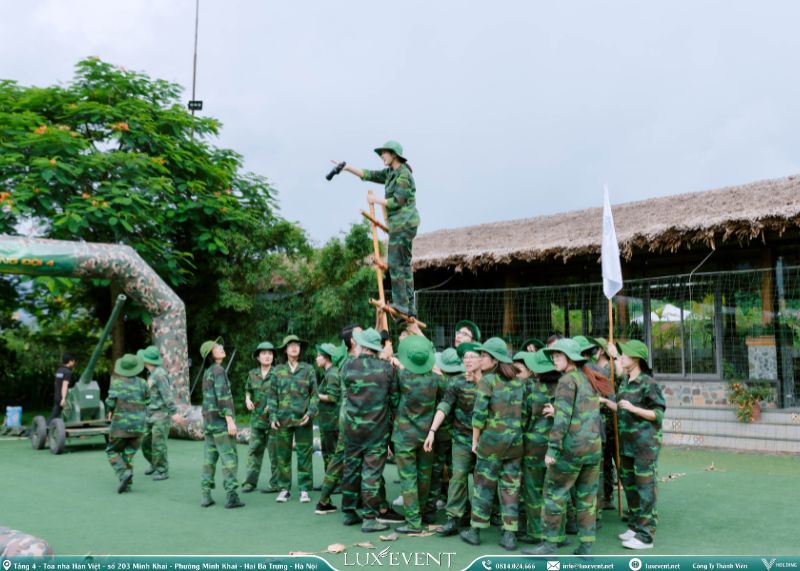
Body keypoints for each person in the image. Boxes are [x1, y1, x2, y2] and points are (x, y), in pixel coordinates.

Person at [525, 338, 602, 556]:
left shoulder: (567, 380)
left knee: (554, 494)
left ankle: (550, 543)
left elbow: (563, 419)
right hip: (592, 449)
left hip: (571, 450)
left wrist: (552, 449)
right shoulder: (588, 378)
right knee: (587, 498)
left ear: (569, 358)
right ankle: (586, 545)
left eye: (558, 356)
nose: (554, 359)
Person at [334, 141, 419, 317]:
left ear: (394, 154)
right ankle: (410, 307)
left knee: (396, 264)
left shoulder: (403, 175)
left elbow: (398, 201)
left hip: (403, 224)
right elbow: (368, 174)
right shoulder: (390, 173)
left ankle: (402, 305)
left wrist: (376, 201)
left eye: (384, 153)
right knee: (404, 265)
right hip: (402, 225)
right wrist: (347, 168)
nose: (382, 156)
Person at [460, 337, 528, 551]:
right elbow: (524, 415)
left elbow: (478, 416)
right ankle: (510, 535)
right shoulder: (519, 382)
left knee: (483, 487)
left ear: (495, 360)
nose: (481, 359)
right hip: (515, 445)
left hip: (490, 445)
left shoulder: (487, 382)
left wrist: (474, 442)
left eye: (484, 356)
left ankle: (475, 531)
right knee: (511, 489)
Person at [602, 340, 666, 550]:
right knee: (629, 486)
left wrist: (634, 408)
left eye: (624, 355)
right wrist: (605, 402)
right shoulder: (626, 382)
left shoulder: (649, 383)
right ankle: (635, 526)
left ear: (636, 359)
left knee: (645, 488)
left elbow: (658, 414)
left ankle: (646, 535)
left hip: (644, 445)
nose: (621, 358)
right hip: (627, 445)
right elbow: (621, 407)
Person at [339, 328, 397, 533]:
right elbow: (395, 399)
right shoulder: (387, 369)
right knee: (371, 473)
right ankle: (370, 518)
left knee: (351, 469)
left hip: (352, 428)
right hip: (377, 431)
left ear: (362, 345)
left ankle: (348, 512)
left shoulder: (347, 365)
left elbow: (344, 389)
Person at [426, 341, 481, 536]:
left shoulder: (491, 382)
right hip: (462, 439)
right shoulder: (457, 382)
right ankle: (454, 518)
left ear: (482, 359)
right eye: (465, 357)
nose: (467, 360)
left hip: (486, 441)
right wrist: (432, 430)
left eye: (472, 356)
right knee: (457, 476)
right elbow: (445, 405)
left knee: (483, 480)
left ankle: (487, 516)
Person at [390, 335, 439, 533]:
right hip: (427, 435)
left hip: (404, 435)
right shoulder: (436, 380)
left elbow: (393, 398)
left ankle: (413, 522)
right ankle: (425, 512)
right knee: (424, 476)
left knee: (408, 478)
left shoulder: (402, 377)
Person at [514, 350, 560, 545]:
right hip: (557, 445)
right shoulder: (564, 387)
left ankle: (535, 532)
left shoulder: (530, 388)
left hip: (533, 446)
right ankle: (559, 533)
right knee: (556, 491)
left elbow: (521, 418)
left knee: (533, 490)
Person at [316, 324, 361, 516]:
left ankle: (327, 500)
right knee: (342, 459)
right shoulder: (351, 361)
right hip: (352, 417)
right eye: (360, 334)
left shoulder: (346, 360)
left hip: (348, 417)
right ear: (352, 341)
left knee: (341, 459)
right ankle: (326, 500)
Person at [269, 335, 319, 504]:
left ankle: (304, 489)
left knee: (305, 454)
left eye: (296, 345)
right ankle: (284, 489)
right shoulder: (277, 370)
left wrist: (310, 412)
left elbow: (315, 395)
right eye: (290, 345)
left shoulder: (308, 369)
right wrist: (273, 416)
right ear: (285, 350)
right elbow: (272, 396)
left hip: (303, 419)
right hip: (283, 419)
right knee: (282, 455)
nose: (294, 348)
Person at [199, 337, 244, 509]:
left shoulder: (208, 371)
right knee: (229, 459)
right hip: (220, 425)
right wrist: (230, 421)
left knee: (209, 460)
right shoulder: (218, 371)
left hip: (209, 425)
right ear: (211, 353)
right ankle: (232, 496)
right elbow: (223, 397)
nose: (221, 348)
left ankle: (205, 495)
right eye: (217, 347)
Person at [425, 348, 464, 517]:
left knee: (436, 470)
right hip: (457, 434)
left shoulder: (440, 381)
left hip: (440, 434)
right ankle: (461, 506)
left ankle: (430, 507)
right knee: (456, 472)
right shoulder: (464, 381)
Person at [105, 353, 149, 494]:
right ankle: (127, 484)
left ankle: (123, 474)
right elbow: (148, 401)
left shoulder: (116, 383)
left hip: (120, 427)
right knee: (128, 454)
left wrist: (110, 410)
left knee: (111, 451)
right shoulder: (143, 383)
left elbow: (110, 403)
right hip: (139, 426)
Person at [242, 341, 278, 494]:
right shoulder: (252, 374)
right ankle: (250, 483)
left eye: (270, 353)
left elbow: (283, 393)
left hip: (273, 420)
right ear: (258, 357)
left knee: (275, 453)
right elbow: (248, 390)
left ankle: (276, 484)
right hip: (257, 420)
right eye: (264, 354)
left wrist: (274, 405)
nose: (267, 356)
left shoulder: (277, 373)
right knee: (254, 451)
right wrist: (247, 399)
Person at [138, 345, 179, 480]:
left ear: (147, 360)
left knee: (158, 444)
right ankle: (154, 464)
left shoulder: (160, 374)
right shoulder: (151, 373)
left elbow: (167, 394)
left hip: (161, 415)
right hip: (150, 415)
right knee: (145, 442)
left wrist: (173, 412)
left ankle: (162, 470)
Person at [316, 343, 343, 473]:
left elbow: (332, 397)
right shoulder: (328, 373)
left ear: (326, 357)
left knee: (332, 453)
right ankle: (330, 481)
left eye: (318, 356)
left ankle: (335, 483)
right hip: (328, 421)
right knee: (327, 453)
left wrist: (315, 394)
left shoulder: (332, 374)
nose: (317, 358)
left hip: (332, 422)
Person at [48, 352, 76, 423]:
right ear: (70, 361)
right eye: (74, 361)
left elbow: (56, 383)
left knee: (54, 414)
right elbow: (65, 385)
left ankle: (46, 427)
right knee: (69, 415)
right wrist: (63, 399)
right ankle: (45, 428)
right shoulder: (68, 372)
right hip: (63, 398)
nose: (74, 363)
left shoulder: (59, 370)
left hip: (57, 396)